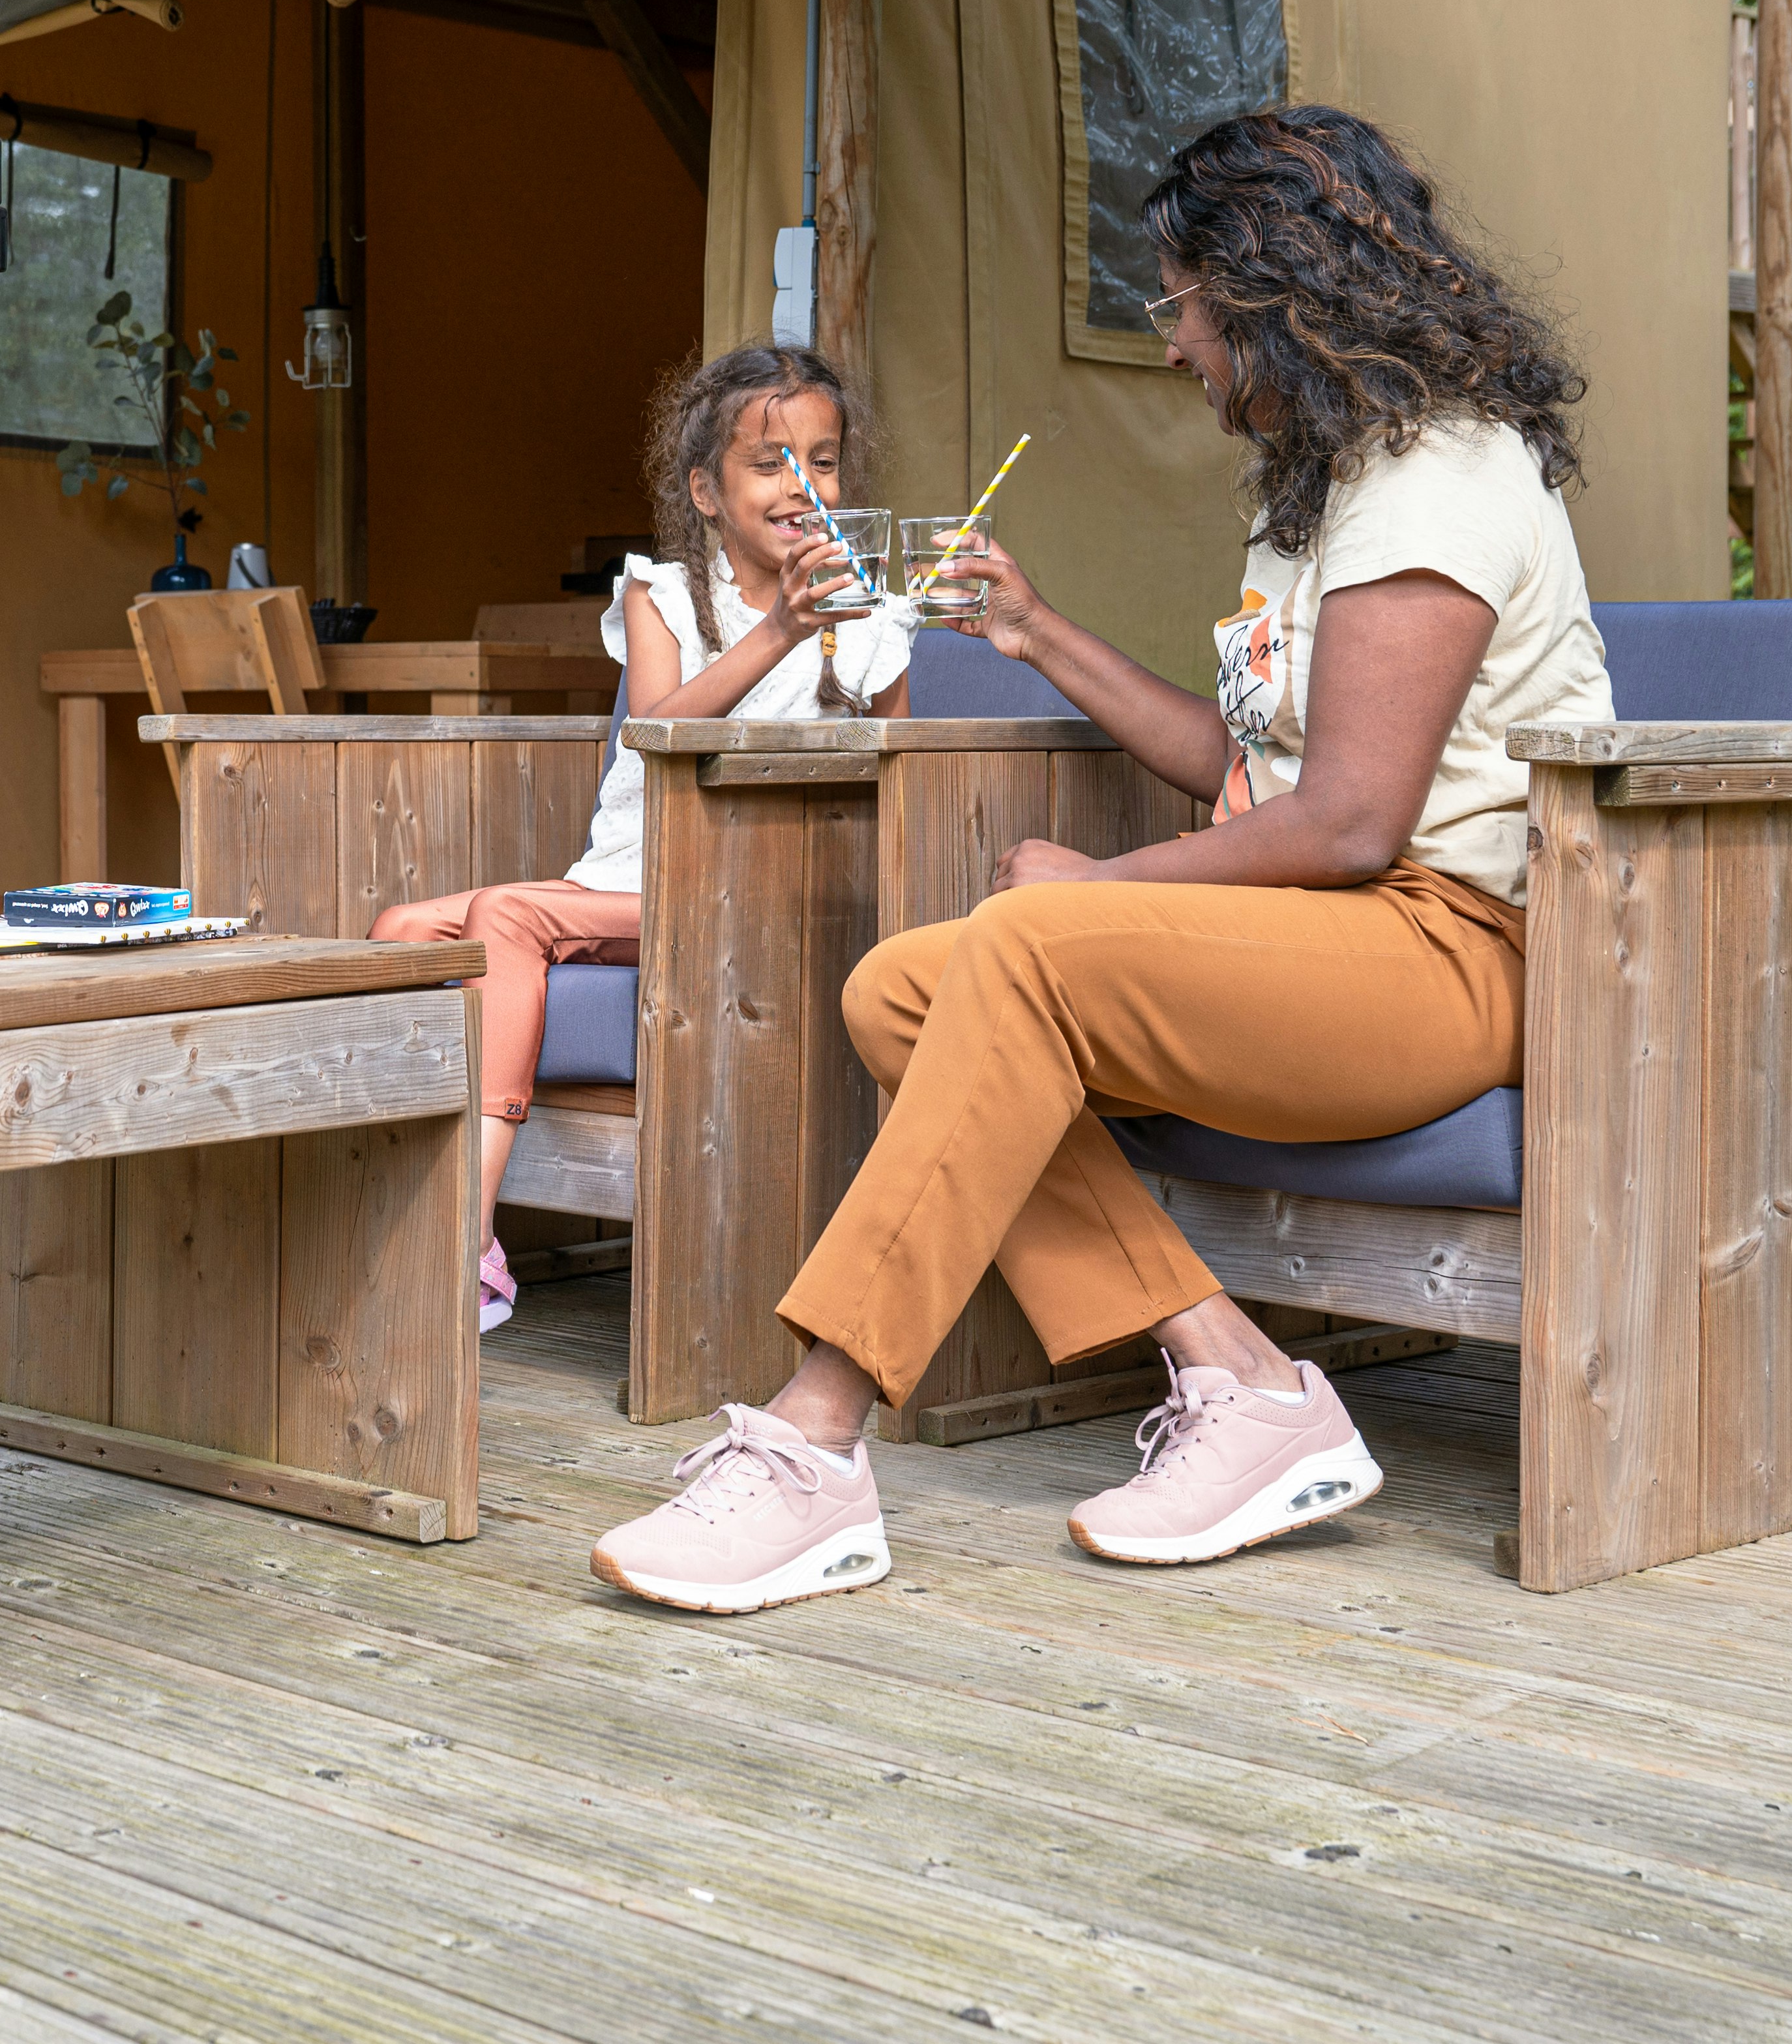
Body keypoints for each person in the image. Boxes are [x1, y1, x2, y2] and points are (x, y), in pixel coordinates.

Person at [589, 106, 1613, 1612]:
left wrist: (1098, 890)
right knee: (898, 991)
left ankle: (813, 1442)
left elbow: (1351, 822)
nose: (1178, 342)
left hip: (1449, 948)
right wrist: (1034, 627)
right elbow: (1249, 762)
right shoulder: (1324, 486)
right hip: (1336, 930)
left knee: (1011, 946)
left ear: (1263, 285)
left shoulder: (1439, 475)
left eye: (1181, 304)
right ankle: (1240, 1378)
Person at [375, 342, 914, 1332]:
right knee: (402, 927)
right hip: (632, 874)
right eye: (770, 462)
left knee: (502, 914)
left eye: (825, 460)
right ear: (707, 492)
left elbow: (898, 772)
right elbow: (659, 730)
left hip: (745, 883)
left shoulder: (870, 616)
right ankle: (397, 1198)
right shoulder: (661, 593)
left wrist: (813, 629)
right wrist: (777, 631)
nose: (804, 484)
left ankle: (466, 1244)